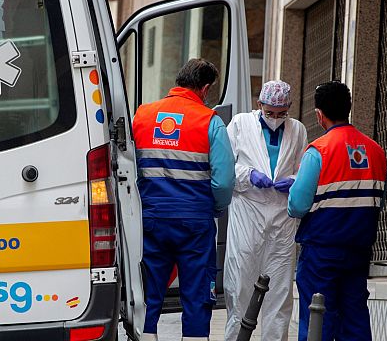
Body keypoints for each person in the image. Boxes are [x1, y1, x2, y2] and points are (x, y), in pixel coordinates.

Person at [132, 58, 235, 341]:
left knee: (148, 292)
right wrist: (215, 207)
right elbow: (224, 180)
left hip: (151, 219)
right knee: (196, 294)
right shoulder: (210, 122)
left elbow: (128, 167)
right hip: (194, 223)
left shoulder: (142, 116)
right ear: (204, 88)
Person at [288, 81, 386, 341]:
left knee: (318, 318)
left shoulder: (318, 151)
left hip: (321, 251)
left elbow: (297, 205)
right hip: (359, 250)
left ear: (319, 115)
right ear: (349, 108)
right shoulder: (376, 152)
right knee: (354, 317)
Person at [223, 80, 308, 341]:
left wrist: (293, 181)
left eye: (281, 114)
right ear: (259, 105)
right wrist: (249, 175)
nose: (275, 119)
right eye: (270, 113)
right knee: (241, 283)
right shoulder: (240, 124)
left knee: (280, 289)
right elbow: (225, 166)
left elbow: (303, 169)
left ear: (289, 109)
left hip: (282, 214)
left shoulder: (298, 130)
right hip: (248, 209)